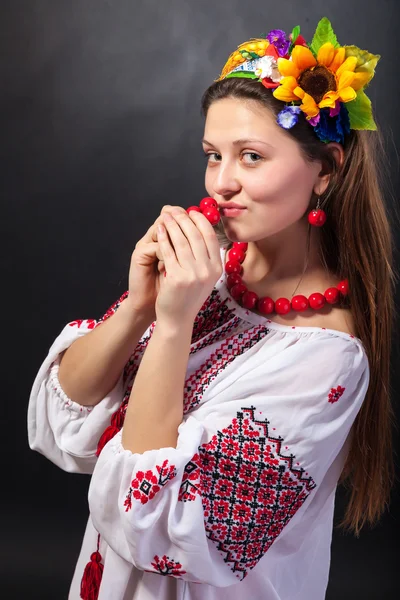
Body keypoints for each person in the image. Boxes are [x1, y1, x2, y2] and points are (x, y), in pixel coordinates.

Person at [28, 16, 396, 600]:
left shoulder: (328, 359)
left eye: (250, 156)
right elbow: (64, 416)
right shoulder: (213, 272)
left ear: (326, 169)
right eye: (212, 154)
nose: (222, 182)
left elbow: (153, 523)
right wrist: (139, 307)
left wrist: (173, 324)